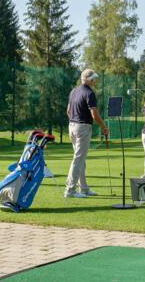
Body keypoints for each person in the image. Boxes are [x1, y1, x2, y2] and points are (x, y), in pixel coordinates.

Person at [64, 69, 108, 198]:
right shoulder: (90, 93)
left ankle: (83, 188)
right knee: (78, 159)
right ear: (90, 80)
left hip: (72, 126)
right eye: (94, 79)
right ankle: (70, 190)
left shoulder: (74, 91)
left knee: (80, 159)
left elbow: (68, 111)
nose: (95, 81)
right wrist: (104, 127)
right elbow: (94, 115)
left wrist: (75, 121)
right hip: (82, 128)